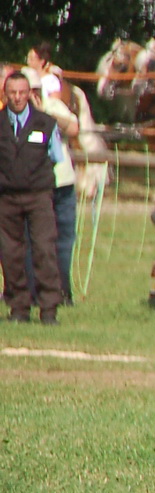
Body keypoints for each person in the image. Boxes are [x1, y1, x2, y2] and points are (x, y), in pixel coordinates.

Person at [0, 70, 64, 324]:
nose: (17, 98)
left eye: (22, 93)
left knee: (44, 250)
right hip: (6, 198)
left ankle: (49, 309)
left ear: (30, 94)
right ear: (5, 94)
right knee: (11, 254)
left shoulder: (46, 123)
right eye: (12, 93)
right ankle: (19, 308)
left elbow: (56, 157)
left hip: (39, 196)